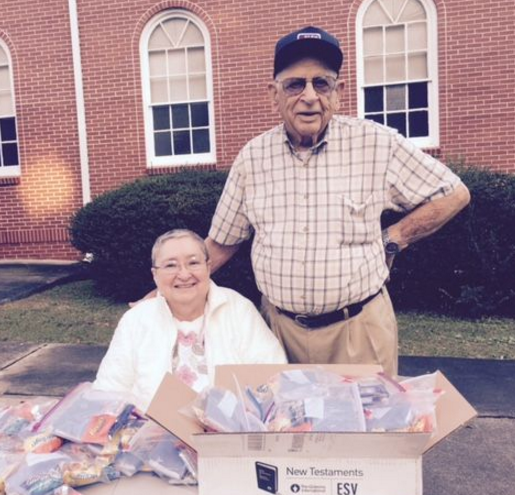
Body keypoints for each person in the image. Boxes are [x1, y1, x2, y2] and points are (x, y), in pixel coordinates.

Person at [205, 26, 471, 377]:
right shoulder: (252, 158)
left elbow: (453, 193)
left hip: (358, 332)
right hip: (276, 335)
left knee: (370, 414)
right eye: (295, 84)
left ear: (338, 93)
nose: (309, 96)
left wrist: (393, 239)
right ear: (274, 95)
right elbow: (222, 242)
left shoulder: (377, 144)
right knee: (282, 414)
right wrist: (163, 289)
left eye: (322, 83)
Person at [93, 229, 286, 410]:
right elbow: (109, 390)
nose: (184, 274)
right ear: (155, 275)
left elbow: (273, 376)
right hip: (151, 430)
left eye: (193, 263)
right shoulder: (136, 320)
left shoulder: (238, 309)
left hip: (230, 428)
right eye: (171, 265)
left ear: (208, 267)